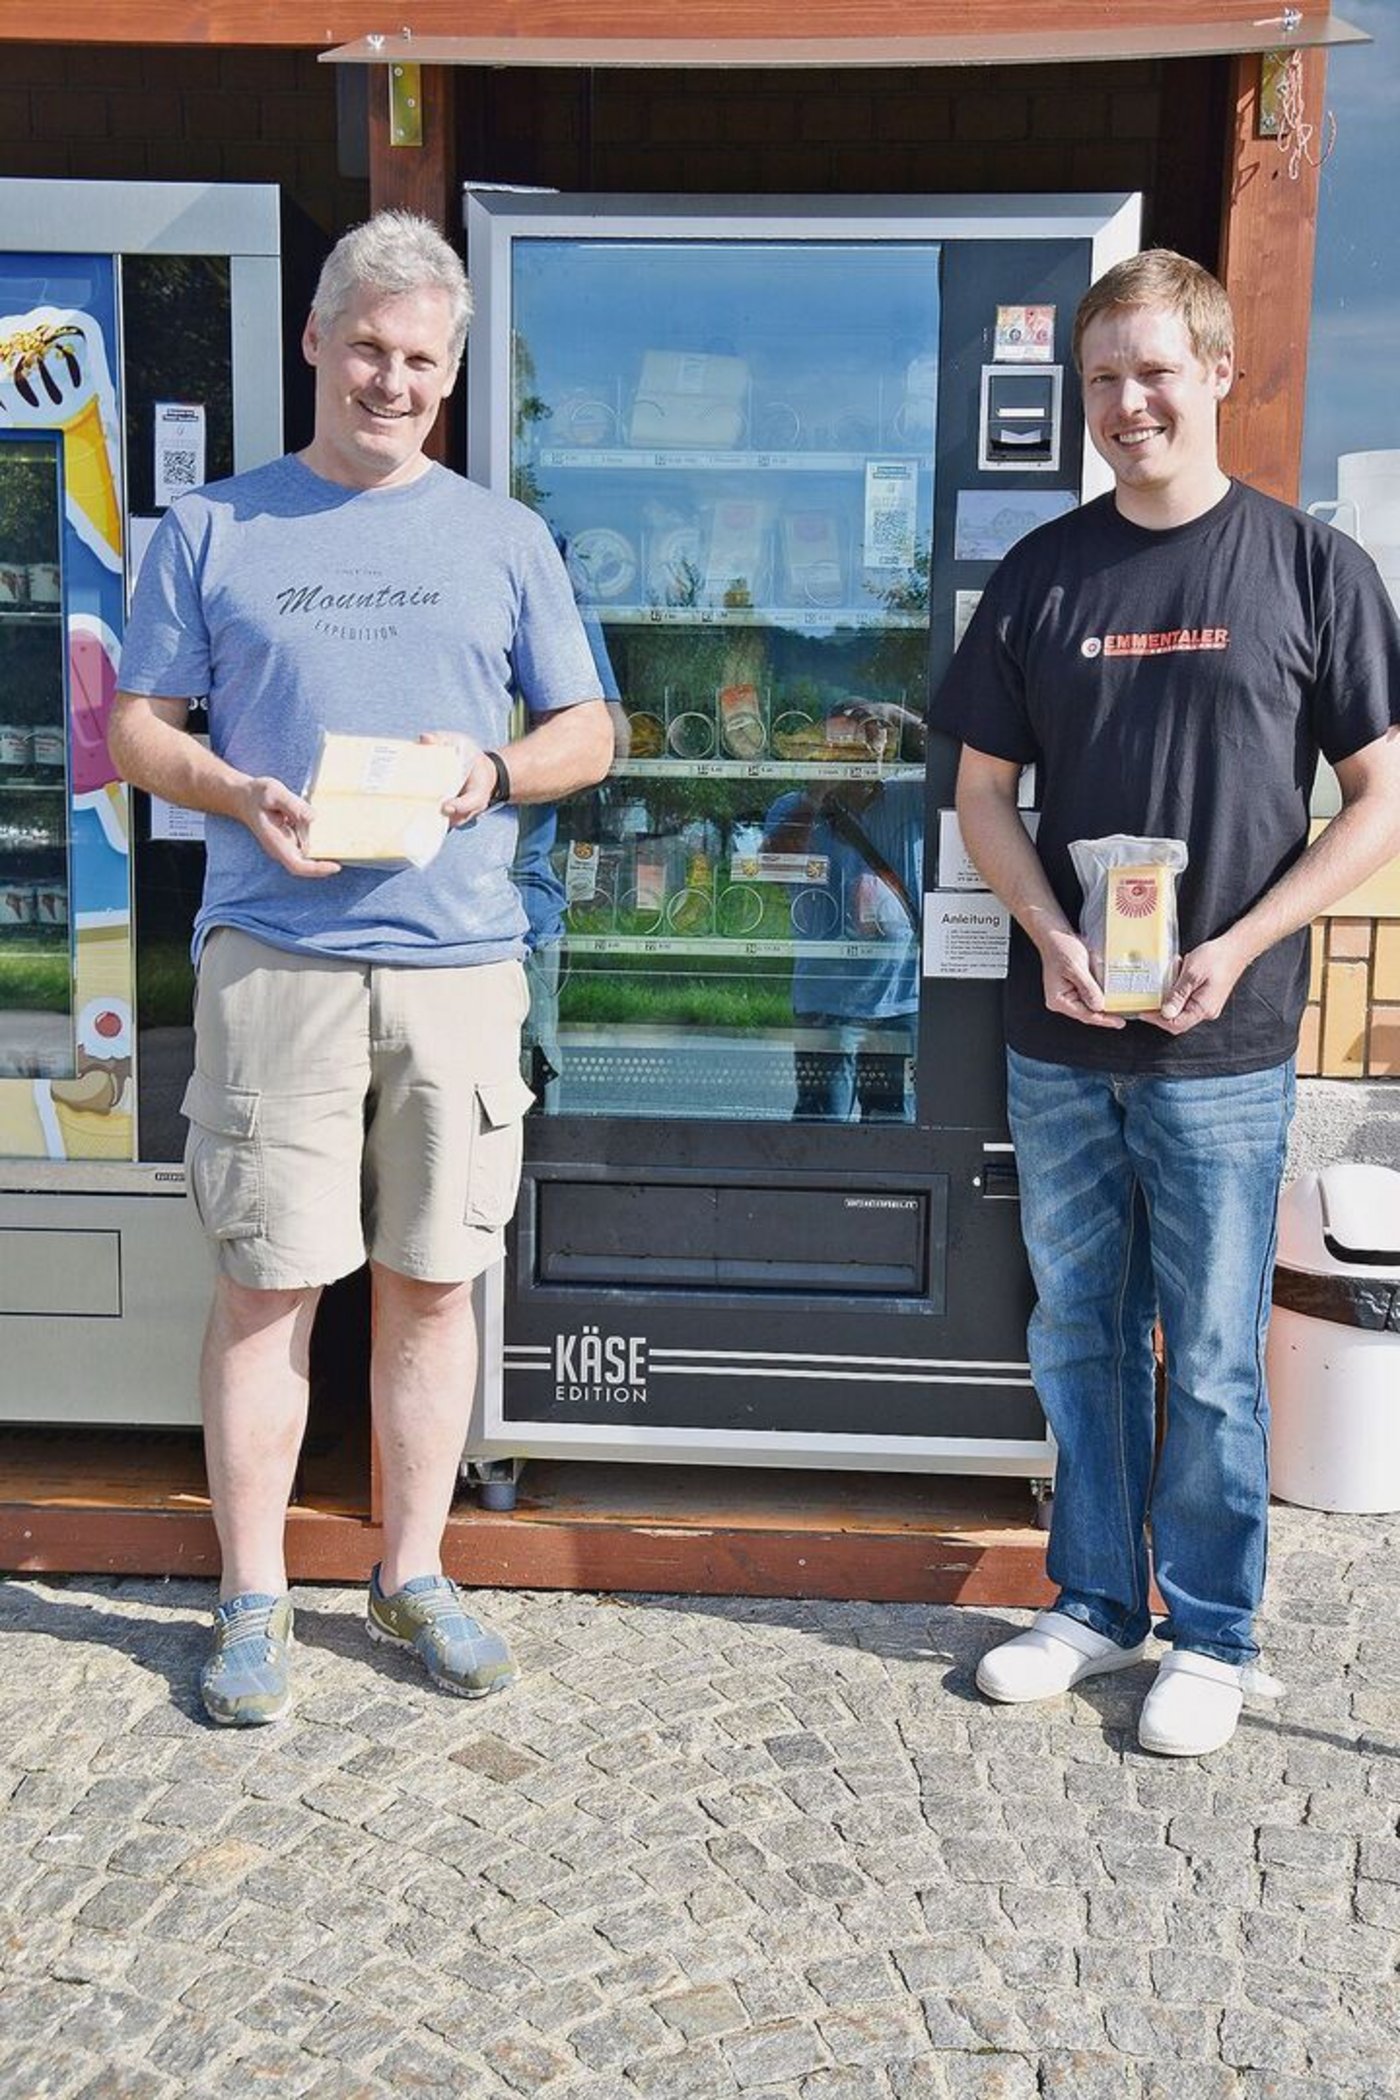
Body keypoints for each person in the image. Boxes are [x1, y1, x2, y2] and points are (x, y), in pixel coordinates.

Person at [108, 210, 613, 1726]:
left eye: (423, 363)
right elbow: (135, 730)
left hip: (461, 964)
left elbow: (591, 733)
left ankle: (413, 1574)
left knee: (432, 1284)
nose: (392, 383)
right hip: (278, 958)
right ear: (315, 342)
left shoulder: (505, 537)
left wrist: (493, 772)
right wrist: (235, 791)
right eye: (370, 351)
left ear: (450, 376)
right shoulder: (213, 528)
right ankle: (252, 1600)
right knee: (267, 1286)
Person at [931, 250, 1400, 1757]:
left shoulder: (1314, 570)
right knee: (1078, 1329)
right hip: (1061, 1029)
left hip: (1228, 1040)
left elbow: (1380, 800)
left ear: (1216, 373)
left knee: (1205, 1346)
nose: (1128, 404)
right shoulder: (1046, 575)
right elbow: (982, 798)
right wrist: (1051, 931)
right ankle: (1090, 1599)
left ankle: (1211, 1629)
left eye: (1153, 373)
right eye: (1102, 382)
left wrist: (1245, 939)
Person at [762, 702, 924, 1122]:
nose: (867, 749)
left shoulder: (909, 795)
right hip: (825, 1002)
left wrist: (900, 716)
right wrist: (817, 795)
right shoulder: (792, 807)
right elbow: (772, 870)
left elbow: (966, 767)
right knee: (822, 1124)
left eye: (875, 735)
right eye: (848, 742)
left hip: (899, 1001)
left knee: (895, 1123)